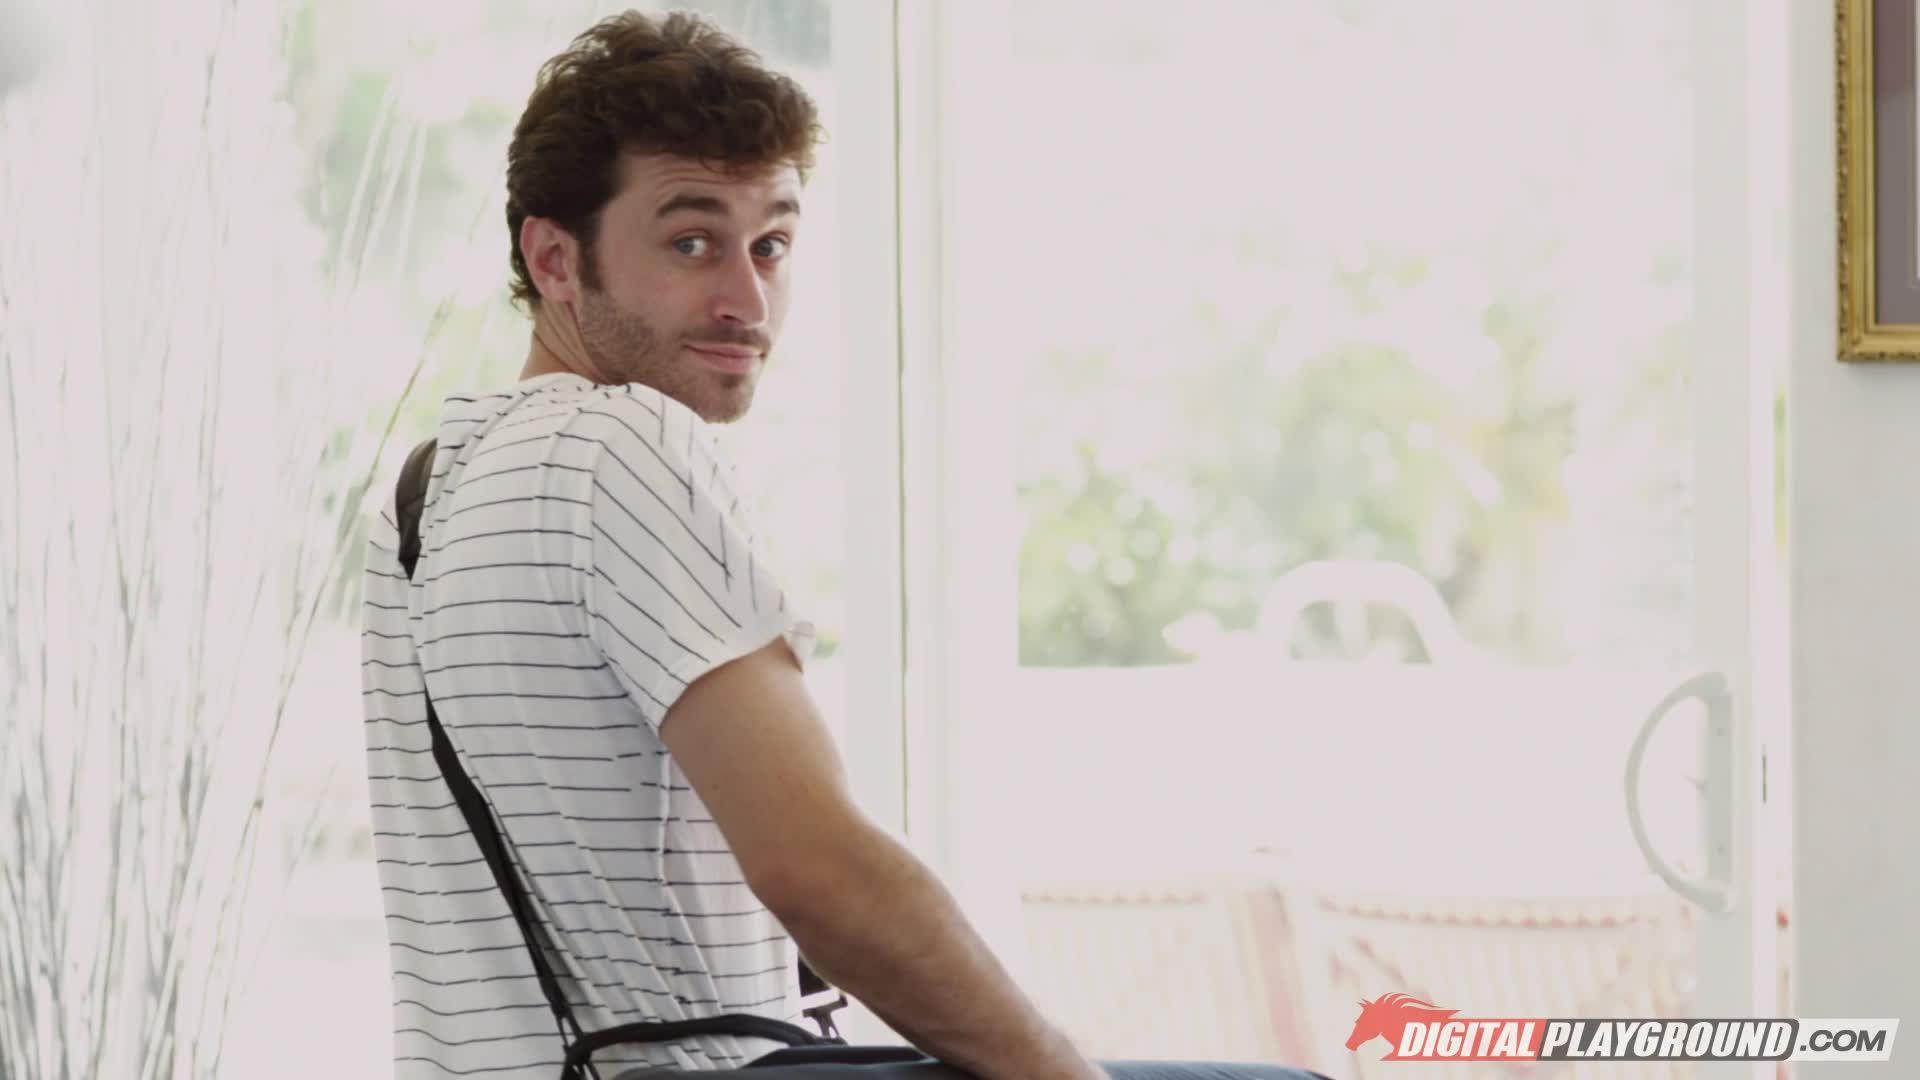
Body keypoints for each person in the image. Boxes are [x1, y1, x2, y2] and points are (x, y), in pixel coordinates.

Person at [361, 10, 1333, 1080]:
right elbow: (819, 870)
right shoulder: (621, 444)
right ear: (555, 258)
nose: (747, 301)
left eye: (771, 245)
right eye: (691, 243)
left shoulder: (421, 498)